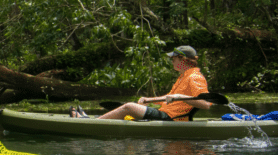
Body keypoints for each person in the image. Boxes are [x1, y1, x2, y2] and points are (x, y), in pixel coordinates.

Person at [81, 45, 211, 121]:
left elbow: (205, 104)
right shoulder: (183, 76)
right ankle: (95, 119)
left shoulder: (194, 77)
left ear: (183, 59)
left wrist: (181, 97)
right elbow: (170, 99)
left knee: (130, 107)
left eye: (173, 59)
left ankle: (94, 123)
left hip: (172, 118)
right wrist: (150, 99)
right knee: (131, 110)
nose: (172, 61)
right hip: (167, 113)